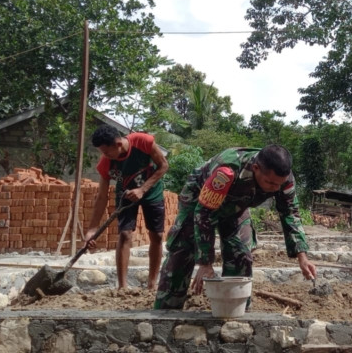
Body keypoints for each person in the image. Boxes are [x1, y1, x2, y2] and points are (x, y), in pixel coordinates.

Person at [153, 145, 317, 309]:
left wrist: (302, 256)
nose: (275, 189)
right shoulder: (227, 170)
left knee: (240, 253)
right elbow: (204, 214)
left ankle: (233, 311)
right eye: (270, 183)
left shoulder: (284, 178)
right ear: (255, 168)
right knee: (183, 249)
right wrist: (205, 263)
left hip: (237, 205)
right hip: (199, 200)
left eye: (278, 185)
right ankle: (165, 312)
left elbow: (290, 213)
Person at [85, 125, 169, 292]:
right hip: (125, 194)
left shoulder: (143, 142)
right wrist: (92, 229)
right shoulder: (105, 163)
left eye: (107, 152)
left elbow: (163, 166)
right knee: (124, 234)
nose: (105, 156)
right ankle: (122, 287)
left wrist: (142, 189)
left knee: (157, 235)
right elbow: (101, 197)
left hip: (151, 191)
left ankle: (152, 283)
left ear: (118, 143)